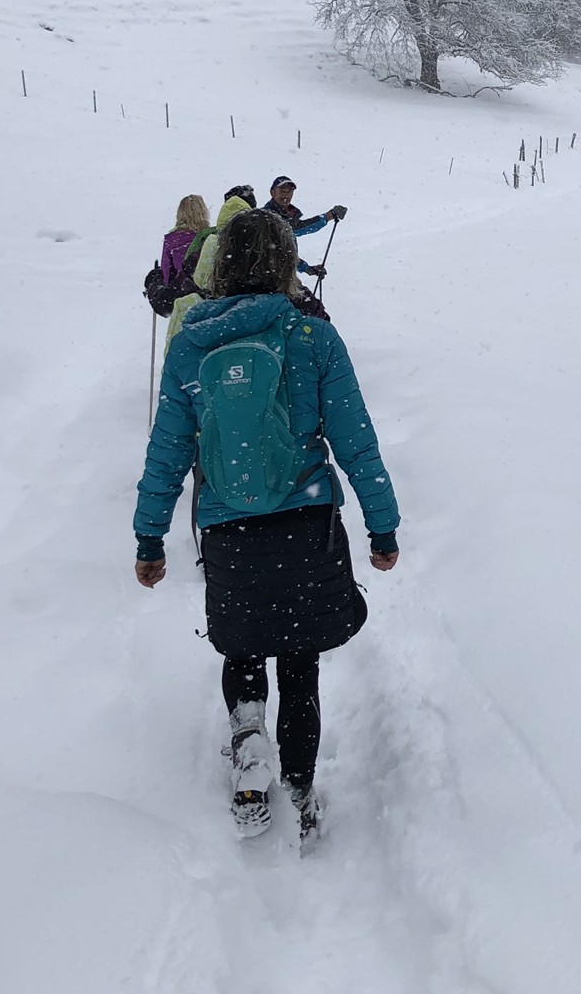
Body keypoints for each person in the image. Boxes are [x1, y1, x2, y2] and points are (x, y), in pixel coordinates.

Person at [133, 207, 401, 845]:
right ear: (284, 264)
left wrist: (149, 537)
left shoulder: (190, 346)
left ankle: (248, 737)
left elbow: (167, 449)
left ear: (220, 266)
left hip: (229, 528)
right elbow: (356, 440)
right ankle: (302, 788)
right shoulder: (312, 338)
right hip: (305, 524)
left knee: (245, 644)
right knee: (300, 660)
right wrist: (382, 527)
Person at [263, 176, 347, 285]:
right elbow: (297, 229)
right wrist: (328, 216)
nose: (286, 195)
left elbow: (286, 254)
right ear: (272, 192)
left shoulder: (286, 215)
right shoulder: (267, 217)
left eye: (289, 192)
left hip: (280, 277)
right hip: (268, 279)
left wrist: (307, 269)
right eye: (282, 191)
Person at [159, 194, 211, 346]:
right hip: (204, 296)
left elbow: (166, 274)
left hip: (181, 295)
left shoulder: (172, 239)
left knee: (180, 339)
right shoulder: (209, 237)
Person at [190, 185, 255, 298]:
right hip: (248, 298)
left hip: (213, 298)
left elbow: (200, 278)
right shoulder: (255, 242)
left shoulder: (211, 240)